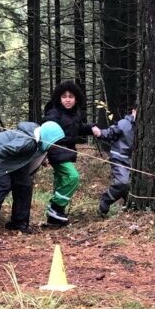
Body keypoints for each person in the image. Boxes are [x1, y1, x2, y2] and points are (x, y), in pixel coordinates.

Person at [0, 121, 65, 239]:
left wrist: (42, 158)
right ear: (48, 137)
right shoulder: (27, 141)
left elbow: (28, 152)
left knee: (25, 184)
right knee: (3, 185)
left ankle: (19, 223)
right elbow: (6, 149)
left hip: (11, 161)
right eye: (55, 142)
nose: (56, 146)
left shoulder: (37, 139)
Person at [40, 80, 96, 227]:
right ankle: (55, 207)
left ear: (76, 98)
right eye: (64, 97)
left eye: (71, 96)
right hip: (56, 151)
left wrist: (92, 128)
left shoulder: (76, 113)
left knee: (61, 181)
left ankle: (54, 219)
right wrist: (44, 154)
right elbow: (45, 132)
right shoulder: (54, 113)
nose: (67, 100)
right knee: (72, 177)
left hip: (67, 151)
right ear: (59, 98)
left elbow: (78, 128)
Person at [93, 106, 136, 216]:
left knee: (132, 186)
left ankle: (129, 207)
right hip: (120, 158)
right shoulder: (124, 123)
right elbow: (111, 131)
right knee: (123, 182)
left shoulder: (148, 127)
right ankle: (105, 201)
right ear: (133, 111)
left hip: (134, 162)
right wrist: (100, 133)